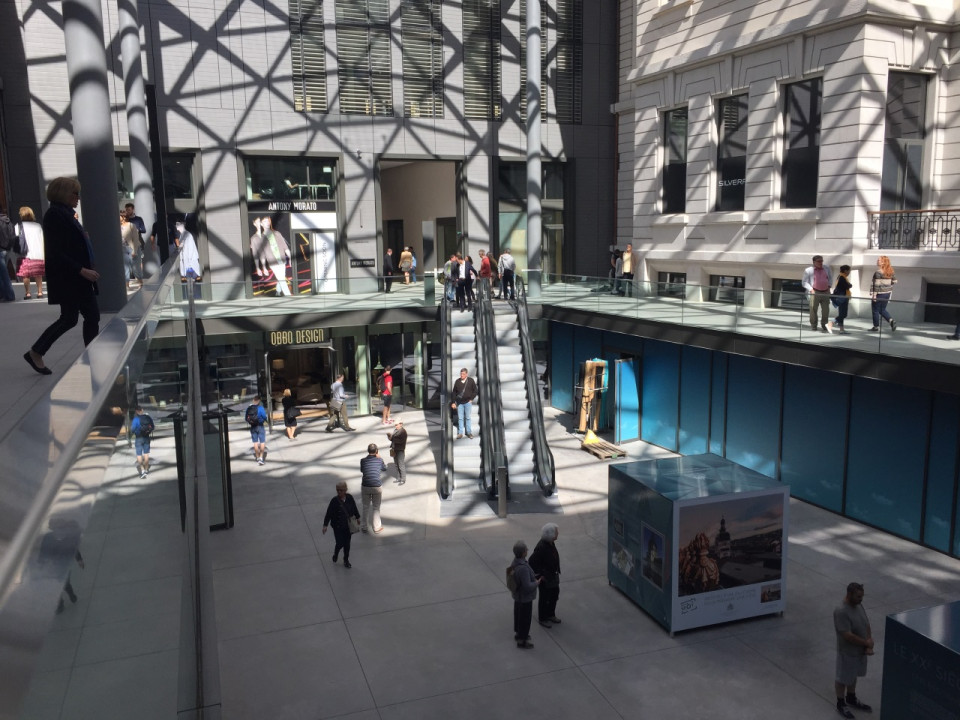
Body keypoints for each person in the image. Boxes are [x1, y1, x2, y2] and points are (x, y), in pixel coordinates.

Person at [24, 177, 100, 375]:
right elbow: (56, 251)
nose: (78, 197)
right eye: (75, 193)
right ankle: (36, 352)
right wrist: (81, 269)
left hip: (75, 277)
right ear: (64, 194)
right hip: (71, 278)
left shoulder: (64, 213)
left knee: (86, 316)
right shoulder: (56, 215)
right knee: (71, 318)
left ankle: (90, 356)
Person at [833, 582, 874, 718]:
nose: (861, 600)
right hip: (847, 652)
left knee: (854, 674)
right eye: (858, 597)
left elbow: (866, 623)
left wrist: (869, 642)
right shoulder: (841, 611)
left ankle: (851, 697)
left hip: (860, 651)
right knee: (842, 678)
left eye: (862, 597)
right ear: (849, 594)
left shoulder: (858, 605)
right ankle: (840, 703)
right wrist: (866, 642)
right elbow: (847, 635)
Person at [529, 523, 562, 628]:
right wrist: (541, 575)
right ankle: (543, 618)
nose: (558, 533)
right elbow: (532, 562)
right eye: (556, 532)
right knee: (545, 598)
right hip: (546, 579)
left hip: (553, 576)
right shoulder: (541, 547)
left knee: (554, 594)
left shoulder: (550, 543)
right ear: (551, 535)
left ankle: (550, 614)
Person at [510, 540, 541, 649]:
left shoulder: (515, 562)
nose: (527, 550)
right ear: (523, 553)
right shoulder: (523, 568)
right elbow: (527, 586)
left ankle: (518, 634)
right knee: (525, 619)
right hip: (525, 598)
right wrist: (537, 582)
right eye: (526, 549)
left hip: (518, 596)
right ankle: (522, 641)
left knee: (518, 616)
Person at [322, 481, 360, 568]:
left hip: (348, 526)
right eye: (337, 490)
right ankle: (336, 554)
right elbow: (329, 513)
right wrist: (325, 525)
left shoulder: (349, 498)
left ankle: (346, 560)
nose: (339, 492)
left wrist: (357, 517)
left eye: (341, 490)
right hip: (338, 527)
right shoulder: (334, 501)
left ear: (345, 490)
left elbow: (354, 507)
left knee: (347, 544)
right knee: (340, 543)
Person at [14, 207, 45, 299]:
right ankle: (40, 292)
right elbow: (42, 240)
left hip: (25, 254)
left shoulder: (18, 226)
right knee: (38, 274)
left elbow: (16, 241)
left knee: (25, 275)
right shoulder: (38, 226)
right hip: (38, 254)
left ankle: (28, 293)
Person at [360, 443, 386, 534]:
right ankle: (377, 528)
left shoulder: (363, 461)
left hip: (365, 485)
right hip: (376, 486)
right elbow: (384, 468)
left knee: (365, 506)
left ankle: (364, 527)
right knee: (376, 507)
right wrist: (380, 458)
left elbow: (362, 470)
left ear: (368, 451)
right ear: (376, 451)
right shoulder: (379, 460)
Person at [802, 255, 833, 333]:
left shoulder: (826, 268)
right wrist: (811, 289)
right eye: (819, 261)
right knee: (813, 310)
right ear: (814, 262)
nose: (821, 263)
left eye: (822, 261)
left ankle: (824, 325)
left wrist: (829, 286)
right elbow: (804, 282)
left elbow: (830, 278)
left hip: (825, 291)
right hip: (815, 292)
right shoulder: (808, 270)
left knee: (826, 310)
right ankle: (814, 325)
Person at [869, 255, 898, 332]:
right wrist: (887, 285)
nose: (877, 261)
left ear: (883, 262)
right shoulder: (891, 271)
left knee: (875, 310)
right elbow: (895, 281)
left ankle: (876, 327)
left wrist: (874, 295)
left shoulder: (878, 272)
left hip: (879, 293)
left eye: (879, 260)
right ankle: (891, 321)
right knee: (882, 309)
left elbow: (876, 284)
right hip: (887, 293)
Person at [451, 367, 478, 439]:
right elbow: (454, 392)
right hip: (459, 403)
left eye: (463, 374)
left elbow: (475, 390)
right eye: (461, 374)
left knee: (468, 417)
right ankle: (460, 433)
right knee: (460, 418)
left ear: (466, 374)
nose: (461, 375)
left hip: (468, 403)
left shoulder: (471, 381)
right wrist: (453, 402)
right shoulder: (457, 381)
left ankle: (468, 432)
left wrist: (471, 399)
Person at [120, 210, 143, 289]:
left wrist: (135, 251)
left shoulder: (131, 225)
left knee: (135, 267)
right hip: (123, 249)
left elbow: (136, 239)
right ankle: (127, 285)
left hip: (132, 248)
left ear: (123, 217)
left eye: (119, 216)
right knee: (125, 268)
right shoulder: (117, 226)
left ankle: (140, 282)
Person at [130, 406, 154, 478]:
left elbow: (132, 429)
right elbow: (153, 426)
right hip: (146, 437)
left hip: (138, 438)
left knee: (139, 454)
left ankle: (142, 470)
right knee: (146, 454)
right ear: (142, 410)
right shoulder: (148, 417)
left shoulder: (136, 419)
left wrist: (135, 432)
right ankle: (146, 469)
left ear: (136, 411)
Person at [0, 205, 18, 301]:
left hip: (0, 250)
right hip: (7, 249)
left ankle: (8, 295)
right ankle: (5, 294)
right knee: (4, 273)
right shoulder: (7, 220)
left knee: (3, 274)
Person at [245, 396, 269, 465]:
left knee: (255, 442)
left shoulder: (249, 408)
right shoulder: (261, 408)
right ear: (259, 401)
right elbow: (264, 416)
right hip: (260, 426)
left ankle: (257, 457)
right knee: (262, 442)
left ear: (253, 400)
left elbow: (246, 418)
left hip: (253, 427)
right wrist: (265, 420)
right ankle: (261, 458)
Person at [830, 265, 853, 334]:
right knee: (843, 314)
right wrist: (849, 285)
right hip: (842, 297)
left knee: (842, 314)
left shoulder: (841, 276)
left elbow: (847, 285)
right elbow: (848, 286)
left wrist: (849, 285)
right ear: (845, 271)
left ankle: (841, 329)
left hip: (843, 297)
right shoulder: (842, 277)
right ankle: (831, 323)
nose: (849, 272)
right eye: (849, 271)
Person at [387, 418, 407, 485]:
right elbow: (392, 439)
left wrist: (393, 439)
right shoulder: (395, 430)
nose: (396, 426)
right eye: (395, 425)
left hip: (400, 450)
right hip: (394, 449)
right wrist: (389, 437)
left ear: (401, 424)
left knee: (401, 464)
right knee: (396, 464)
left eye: (397, 425)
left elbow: (401, 441)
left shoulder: (403, 432)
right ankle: (398, 477)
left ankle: (403, 479)